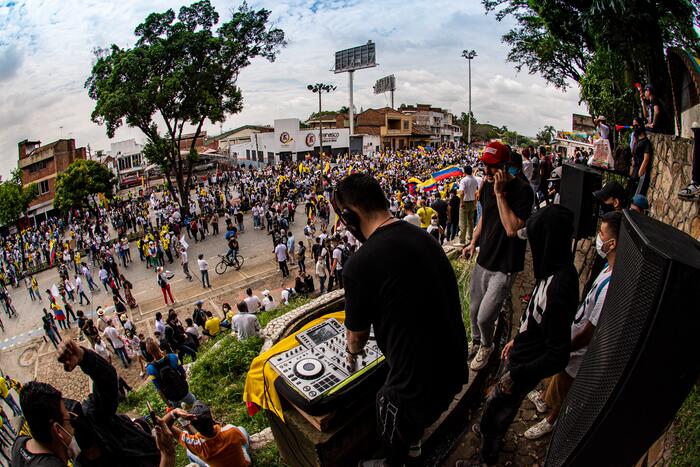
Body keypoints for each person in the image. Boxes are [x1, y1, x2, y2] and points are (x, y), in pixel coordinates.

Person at [335, 173, 469, 466]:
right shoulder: (424, 236)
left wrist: (349, 355)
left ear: (348, 216)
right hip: (454, 370)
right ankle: (414, 444)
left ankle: (397, 460)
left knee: (387, 406)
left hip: (415, 394)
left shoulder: (359, 265)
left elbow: (355, 340)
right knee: (411, 425)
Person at [472, 205, 579, 465]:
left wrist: (516, 374)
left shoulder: (559, 289)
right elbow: (537, 317)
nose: (532, 247)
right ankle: (489, 431)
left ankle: (488, 453)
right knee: (498, 406)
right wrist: (517, 338)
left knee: (500, 407)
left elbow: (558, 355)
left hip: (525, 366)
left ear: (548, 241)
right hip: (521, 352)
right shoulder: (553, 271)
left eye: (536, 240)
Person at [524, 211, 621, 440]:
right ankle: (543, 398)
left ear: (613, 242)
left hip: (579, 348)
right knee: (555, 378)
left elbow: (591, 331)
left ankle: (550, 421)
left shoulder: (610, 286)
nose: (598, 237)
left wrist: (566, 346)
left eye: (602, 233)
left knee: (564, 388)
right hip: (571, 336)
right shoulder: (606, 268)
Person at [12, 340, 161, 466]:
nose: (72, 419)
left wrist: (83, 357)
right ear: (58, 430)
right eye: (67, 419)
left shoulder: (20, 446)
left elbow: (107, 383)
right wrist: (167, 457)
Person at [462, 141, 534, 371]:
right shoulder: (486, 183)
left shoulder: (523, 191)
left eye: (493, 167)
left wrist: (500, 195)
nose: (487, 171)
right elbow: (486, 217)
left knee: (485, 317)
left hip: (505, 265)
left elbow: (512, 229)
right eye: (484, 166)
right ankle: (475, 342)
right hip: (485, 258)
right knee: (473, 310)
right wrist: (473, 242)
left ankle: (487, 345)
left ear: (506, 165)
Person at [162, 401, 251, 467]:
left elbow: (164, 425)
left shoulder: (195, 443)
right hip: (243, 465)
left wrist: (174, 412)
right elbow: (243, 442)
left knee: (189, 451)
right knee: (241, 429)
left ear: (193, 425)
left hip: (210, 459)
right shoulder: (232, 431)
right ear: (212, 418)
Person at [146, 339, 196, 409]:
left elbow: (159, 390)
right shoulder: (173, 356)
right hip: (183, 391)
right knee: (196, 404)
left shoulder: (150, 369)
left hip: (172, 397)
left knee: (179, 415)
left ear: (148, 351)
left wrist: (167, 403)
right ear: (158, 345)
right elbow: (184, 374)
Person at [630, 116, 653, 197]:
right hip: (634, 172)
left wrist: (640, 173)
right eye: (633, 126)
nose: (634, 128)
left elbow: (646, 159)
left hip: (640, 173)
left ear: (640, 126)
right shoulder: (637, 141)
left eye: (636, 125)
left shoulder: (646, 142)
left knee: (636, 195)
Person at [459, 165, 479, 244]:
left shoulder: (464, 180)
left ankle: (462, 240)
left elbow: (461, 192)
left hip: (465, 203)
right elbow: (476, 191)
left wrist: (462, 202)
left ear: (465, 171)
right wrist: (475, 203)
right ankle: (470, 237)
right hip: (472, 202)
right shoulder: (475, 179)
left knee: (463, 223)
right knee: (470, 222)